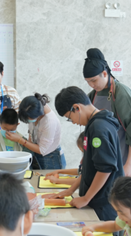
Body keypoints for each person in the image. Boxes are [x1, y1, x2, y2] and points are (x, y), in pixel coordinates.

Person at [52, 86, 124, 221]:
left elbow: (105, 169)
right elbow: (89, 168)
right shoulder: (94, 125)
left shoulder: (99, 128)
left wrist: (86, 198)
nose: (73, 122)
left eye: (69, 117)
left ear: (76, 108)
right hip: (95, 199)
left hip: (103, 203)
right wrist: (70, 190)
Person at [83, 48, 131, 176]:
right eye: (88, 82)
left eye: (94, 80)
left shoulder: (122, 93)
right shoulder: (93, 95)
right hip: (103, 158)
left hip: (123, 157)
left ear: (104, 74)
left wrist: (129, 164)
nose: (91, 85)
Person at [11, 93, 66, 169]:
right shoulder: (33, 109)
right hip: (37, 154)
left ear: (38, 114)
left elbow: (42, 150)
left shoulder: (49, 122)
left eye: (29, 119)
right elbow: (31, 133)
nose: (29, 122)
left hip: (51, 158)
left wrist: (20, 140)